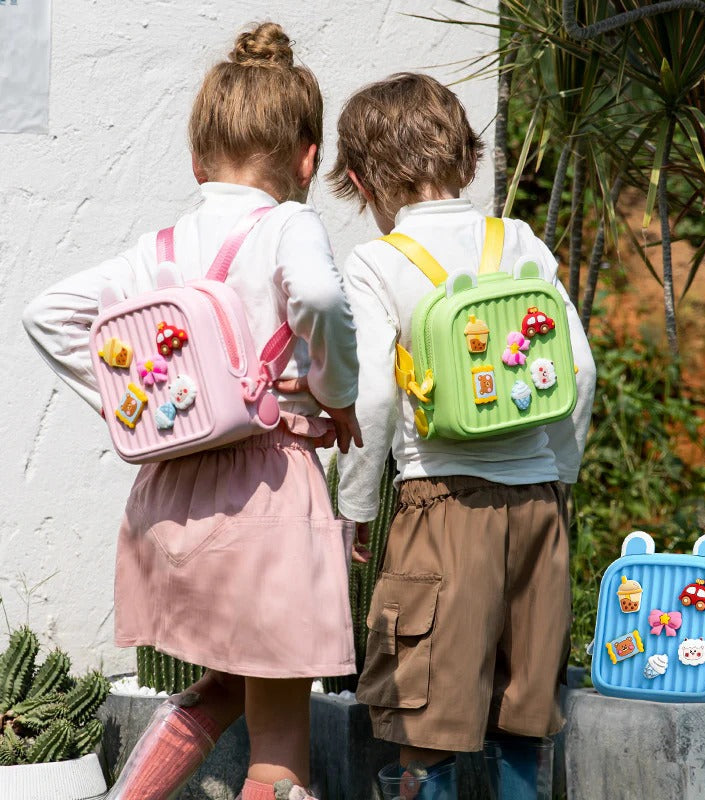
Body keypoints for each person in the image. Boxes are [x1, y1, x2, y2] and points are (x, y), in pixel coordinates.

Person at [22, 23, 361, 800]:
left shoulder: (161, 246)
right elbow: (314, 297)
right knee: (278, 754)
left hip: (176, 497)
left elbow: (49, 313)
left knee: (221, 689)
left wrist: (134, 405)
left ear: (197, 157)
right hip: (266, 494)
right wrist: (336, 394)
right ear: (308, 158)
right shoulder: (287, 224)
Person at [328, 72, 596, 797]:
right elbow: (581, 370)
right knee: (523, 717)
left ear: (360, 180)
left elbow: (377, 395)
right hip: (536, 505)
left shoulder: (378, 261)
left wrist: (355, 506)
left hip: (440, 506)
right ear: (470, 160)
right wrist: (558, 474)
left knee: (426, 724)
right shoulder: (517, 240)